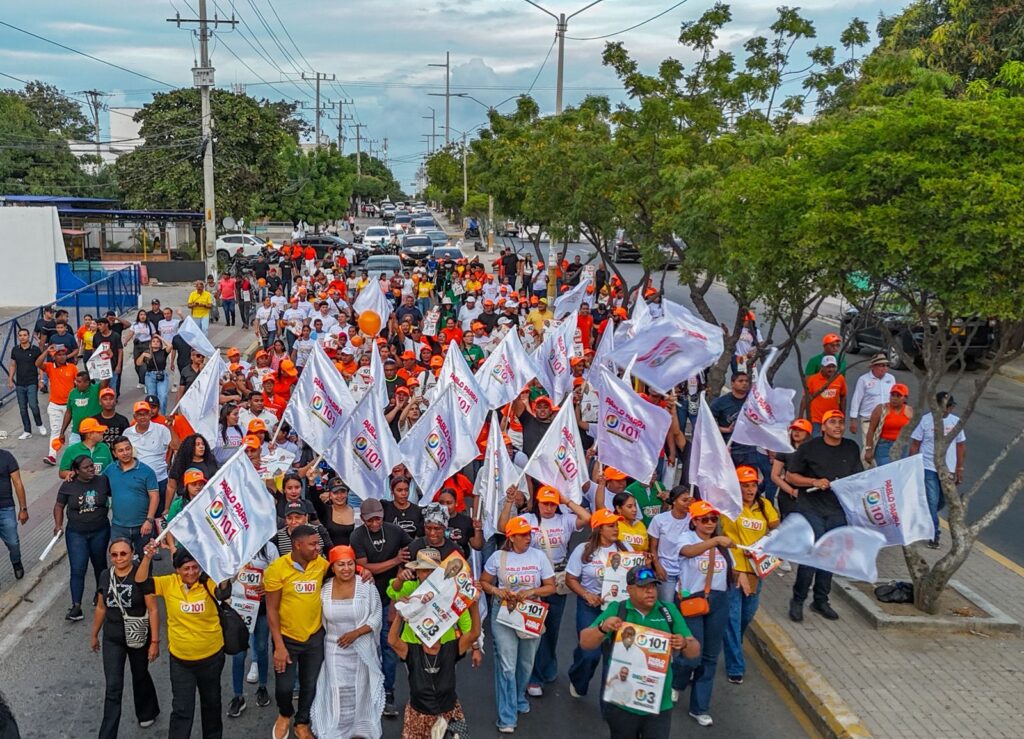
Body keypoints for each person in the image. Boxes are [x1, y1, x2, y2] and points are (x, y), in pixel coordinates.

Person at [578, 564, 698, 739]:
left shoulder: (668, 611)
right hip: (622, 702)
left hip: (659, 704)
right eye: (643, 587)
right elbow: (585, 642)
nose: (650, 592)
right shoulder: (617, 610)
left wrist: (685, 644)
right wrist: (603, 628)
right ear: (629, 590)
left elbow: (694, 651)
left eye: (653, 587)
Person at [499, 485, 589, 697]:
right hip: (533, 578)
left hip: (556, 578)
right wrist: (510, 502)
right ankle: (534, 676)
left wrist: (566, 500)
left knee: (552, 627)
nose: (548, 508)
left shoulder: (564, 519)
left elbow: (586, 517)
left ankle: (548, 667)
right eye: (544, 503)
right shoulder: (529, 520)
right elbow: (504, 526)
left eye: (552, 503)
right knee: (534, 628)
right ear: (537, 503)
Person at [137, 542, 228, 738]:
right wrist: (147, 557)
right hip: (181, 661)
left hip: (211, 658)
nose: (191, 572)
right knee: (181, 710)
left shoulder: (207, 582)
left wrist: (226, 572)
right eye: (186, 568)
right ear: (177, 570)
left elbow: (223, 592)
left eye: (195, 567)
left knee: (211, 706)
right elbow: (142, 583)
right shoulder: (169, 583)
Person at [481, 516, 557, 733]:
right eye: (522, 535)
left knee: (526, 662)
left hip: (531, 612)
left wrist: (532, 591)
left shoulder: (539, 556)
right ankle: (507, 716)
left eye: (528, 534)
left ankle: (518, 695)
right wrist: (497, 590)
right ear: (511, 537)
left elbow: (550, 586)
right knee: (507, 663)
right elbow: (485, 582)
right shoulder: (498, 557)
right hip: (504, 611)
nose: (527, 538)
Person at [786, 409, 862, 622]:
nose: (838, 426)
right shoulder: (810, 448)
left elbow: (859, 475)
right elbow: (791, 476)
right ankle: (798, 599)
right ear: (824, 426)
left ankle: (821, 600)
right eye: (833, 422)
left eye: (841, 422)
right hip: (811, 508)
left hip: (837, 510)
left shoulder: (851, 448)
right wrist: (813, 482)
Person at [310, 545, 385, 739]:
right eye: (341, 565)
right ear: (332, 567)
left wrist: (357, 633)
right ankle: (338, 730)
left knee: (360, 688)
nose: (346, 569)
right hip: (334, 649)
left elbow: (376, 616)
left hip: (362, 649)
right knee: (338, 689)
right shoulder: (325, 590)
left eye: (350, 564)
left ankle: (359, 729)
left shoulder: (366, 585)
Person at [90, 537, 160, 736]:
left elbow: (153, 609)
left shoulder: (141, 573)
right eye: (114, 554)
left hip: (138, 635)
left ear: (131, 554)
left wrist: (155, 642)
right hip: (112, 638)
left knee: (140, 675)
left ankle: (148, 710)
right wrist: (94, 634)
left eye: (123, 554)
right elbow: (101, 608)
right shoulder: (105, 575)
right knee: (113, 687)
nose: (119, 558)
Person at [266, 524, 329, 739]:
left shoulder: (320, 564)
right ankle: (285, 714)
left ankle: (302, 722)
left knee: (309, 684)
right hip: (287, 639)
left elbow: (341, 570)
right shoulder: (276, 569)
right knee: (284, 688)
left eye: (318, 543)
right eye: (312, 544)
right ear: (297, 545)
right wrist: (279, 646)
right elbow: (272, 610)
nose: (317, 548)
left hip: (314, 636)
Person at [351, 497, 412, 720]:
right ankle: (366, 691)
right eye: (370, 520)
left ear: (383, 516)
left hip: (390, 597)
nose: (375, 524)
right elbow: (367, 567)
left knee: (388, 646)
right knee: (366, 645)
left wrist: (401, 568)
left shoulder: (395, 531)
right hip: (367, 597)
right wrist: (396, 561)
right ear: (363, 519)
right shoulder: (357, 536)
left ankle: (388, 692)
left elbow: (412, 551)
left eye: (377, 519)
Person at [389, 594, 481, 739]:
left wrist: (474, 605)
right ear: (419, 635)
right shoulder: (412, 651)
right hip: (418, 714)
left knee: (462, 737)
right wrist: (400, 615)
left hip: (450, 711)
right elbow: (393, 640)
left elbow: (474, 633)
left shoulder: (451, 648)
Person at [677, 500, 733, 727]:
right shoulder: (686, 539)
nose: (710, 523)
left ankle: (699, 707)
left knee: (710, 656)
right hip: (693, 600)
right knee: (693, 653)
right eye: (704, 519)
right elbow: (688, 552)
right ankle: (678, 679)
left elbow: (732, 568)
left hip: (719, 600)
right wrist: (715, 541)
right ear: (694, 522)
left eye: (713, 519)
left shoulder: (722, 545)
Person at [721, 466, 779, 684]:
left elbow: (776, 528)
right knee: (733, 617)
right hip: (735, 569)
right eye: (745, 485)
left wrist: (764, 544)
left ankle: (732, 642)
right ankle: (736, 665)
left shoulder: (765, 506)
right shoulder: (730, 507)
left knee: (747, 614)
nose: (750, 489)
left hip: (757, 569)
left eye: (753, 485)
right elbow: (724, 535)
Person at [566, 509, 627, 698]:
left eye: (616, 525)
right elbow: (570, 578)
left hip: (616, 609)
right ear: (599, 529)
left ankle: (607, 704)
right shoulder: (584, 550)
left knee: (613, 657)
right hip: (591, 607)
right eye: (611, 525)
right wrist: (586, 595)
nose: (615, 529)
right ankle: (578, 679)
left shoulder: (625, 550)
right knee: (589, 653)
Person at [53, 455, 111, 621]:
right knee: (78, 568)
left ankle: (100, 597)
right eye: (86, 468)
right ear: (76, 471)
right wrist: (58, 525)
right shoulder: (68, 485)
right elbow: (59, 506)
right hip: (76, 533)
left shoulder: (103, 481)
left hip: (100, 531)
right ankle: (76, 606)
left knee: (100, 565)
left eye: (92, 466)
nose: (91, 469)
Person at [909, 392, 966, 549]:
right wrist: (912, 465)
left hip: (948, 470)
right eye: (945, 406)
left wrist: (959, 468)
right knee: (932, 501)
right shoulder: (926, 421)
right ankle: (935, 535)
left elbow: (961, 446)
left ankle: (925, 516)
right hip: (928, 467)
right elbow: (915, 444)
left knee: (941, 501)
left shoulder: (956, 422)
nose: (948, 409)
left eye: (950, 406)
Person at [104, 436, 160, 560]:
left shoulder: (147, 471)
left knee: (145, 560)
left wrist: (149, 520)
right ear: (114, 453)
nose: (125, 453)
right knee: (120, 560)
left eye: (127, 449)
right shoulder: (110, 470)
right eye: (121, 450)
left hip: (143, 526)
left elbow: (154, 496)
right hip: (119, 526)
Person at [648, 486, 694, 605]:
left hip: (686, 573)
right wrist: (657, 566)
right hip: (665, 571)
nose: (687, 503)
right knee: (667, 606)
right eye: (684, 500)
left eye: (689, 500)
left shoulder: (693, 520)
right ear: (674, 501)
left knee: (685, 607)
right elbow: (653, 547)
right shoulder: (659, 520)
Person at [36, 343, 77, 465]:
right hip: (54, 405)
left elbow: (79, 382)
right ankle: (52, 455)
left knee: (71, 431)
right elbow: (38, 364)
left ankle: (72, 456)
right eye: (59, 355)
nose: (62, 357)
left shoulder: (72, 367)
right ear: (54, 357)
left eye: (64, 354)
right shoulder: (49, 367)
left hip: (69, 406)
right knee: (56, 430)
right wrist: (46, 351)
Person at [848, 353, 896, 450]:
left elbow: (894, 397)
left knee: (883, 447)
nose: (884, 368)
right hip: (868, 419)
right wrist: (853, 419)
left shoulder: (890, 378)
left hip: (886, 419)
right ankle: (868, 464)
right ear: (873, 367)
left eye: (886, 365)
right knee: (869, 447)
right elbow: (856, 399)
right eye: (881, 365)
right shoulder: (864, 380)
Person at [771, 418, 814, 522]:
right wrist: (791, 491)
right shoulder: (785, 449)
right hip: (788, 495)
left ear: (808, 433)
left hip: (809, 493)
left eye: (800, 430)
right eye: (794, 429)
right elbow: (774, 475)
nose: (796, 432)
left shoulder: (814, 451)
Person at [7, 328, 46, 440]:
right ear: (18, 337)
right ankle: (27, 430)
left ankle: (39, 424)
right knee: (22, 408)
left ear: (28, 336)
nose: (23, 337)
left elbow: (40, 365)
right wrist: (10, 379)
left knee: (33, 405)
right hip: (20, 383)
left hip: (32, 382)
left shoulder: (35, 350)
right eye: (20, 335)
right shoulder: (15, 350)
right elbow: (13, 365)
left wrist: (41, 380)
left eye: (25, 335)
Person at [864, 383, 913, 467]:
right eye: (892, 395)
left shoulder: (909, 411)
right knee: (885, 471)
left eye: (898, 396)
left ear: (905, 398)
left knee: (900, 471)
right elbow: (871, 430)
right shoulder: (881, 409)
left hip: (902, 445)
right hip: (884, 445)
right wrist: (868, 449)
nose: (894, 398)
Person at [0, 449, 28, 582]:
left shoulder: (7, 457)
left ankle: (16, 561)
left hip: (5, 508)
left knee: (13, 542)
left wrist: (23, 508)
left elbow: (17, 483)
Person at [801, 355, 847, 432]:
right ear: (822, 367)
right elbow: (805, 398)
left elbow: (843, 396)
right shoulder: (812, 380)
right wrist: (800, 416)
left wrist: (842, 415)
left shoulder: (840, 378)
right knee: (816, 441)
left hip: (832, 419)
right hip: (816, 419)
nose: (831, 369)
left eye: (833, 367)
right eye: (828, 367)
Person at [137, 336, 172, 414]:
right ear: (150, 344)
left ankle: (162, 416)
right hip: (150, 376)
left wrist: (159, 336)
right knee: (152, 398)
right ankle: (152, 415)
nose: (155, 343)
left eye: (157, 342)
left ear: (160, 344)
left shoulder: (163, 352)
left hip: (162, 375)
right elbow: (138, 363)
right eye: (154, 341)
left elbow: (170, 346)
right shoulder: (147, 353)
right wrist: (143, 355)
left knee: (162, 396)